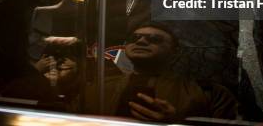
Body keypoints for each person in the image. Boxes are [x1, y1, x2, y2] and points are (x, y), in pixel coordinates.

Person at [84, 22, 238, 122]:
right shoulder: (98, 89)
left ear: (175, 51)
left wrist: (176, 123)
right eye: (134, 37)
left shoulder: (208, 93)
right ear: (125, 46)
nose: (141, 41)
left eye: (155, 39)